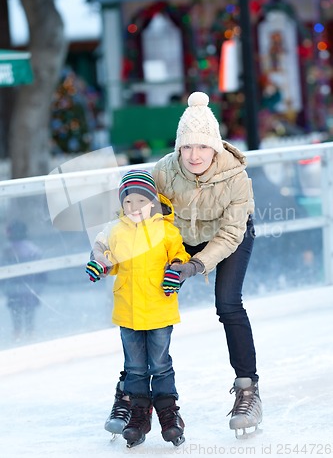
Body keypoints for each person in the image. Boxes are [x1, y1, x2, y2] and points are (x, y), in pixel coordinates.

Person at [93, 91, 262, 439]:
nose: (194, 155)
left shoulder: (237, 179)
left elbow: (231, 234)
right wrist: (107, 248)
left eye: (201, 147)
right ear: (178, 148)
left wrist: (195, 266)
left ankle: (248, 390)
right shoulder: (165, 171)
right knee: (144, 299)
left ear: (214, 146)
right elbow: (132, 210)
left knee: (228, 304)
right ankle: (127, 394)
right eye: (186, 147)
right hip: (178, 235)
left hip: (227, 237)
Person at [86, 169, 191, 448]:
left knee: (160, 365)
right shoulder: (117, 232)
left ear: (153, 202)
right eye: (128, 202)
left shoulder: (166, 231)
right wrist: (101, 265)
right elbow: (109, 259)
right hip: (128, 311)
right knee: (134, 368)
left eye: (141, 202)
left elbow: (180, 257)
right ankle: (139, 414)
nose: (134, 208)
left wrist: (175, 271)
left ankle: (169, 414)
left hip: (158, 309)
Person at [3, 220, 45, 342]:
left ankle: (17, 335)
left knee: (16, 315)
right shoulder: (34, 250)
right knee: (29, 314)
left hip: (13, 290)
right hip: (30, 290)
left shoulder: (7, 251)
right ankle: (30, 334)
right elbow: (42, 273)